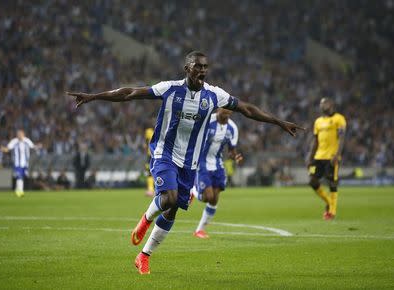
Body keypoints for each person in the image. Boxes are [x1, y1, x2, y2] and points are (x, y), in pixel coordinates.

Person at [68, 51, 304, 275]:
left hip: (189, 162)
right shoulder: (169, 89)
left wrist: (279, 122)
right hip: (164, 153)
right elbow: (129, 93)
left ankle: (144, 256)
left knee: (172, 210)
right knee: (168, 197)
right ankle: (146, 219)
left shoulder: (214, 95)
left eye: (205, 67)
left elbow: (246, 109)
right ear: (187, 69)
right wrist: (94, 97)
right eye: (198, 66)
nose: (203, 70)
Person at [190, 108, 243, 238]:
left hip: (218, 163)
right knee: (207, 196)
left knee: (214, 199)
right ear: (218, 109)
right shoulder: (207, 120)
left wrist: (235, 156)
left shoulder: (232, 128)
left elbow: (231, 149)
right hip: (201, 161)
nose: (225, 114)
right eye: (223, 111)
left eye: (228, 112)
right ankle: (193, 190)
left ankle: (199, 230)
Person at [306, 98, 346, 220]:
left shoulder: (339, 119)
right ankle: (329, 202)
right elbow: (315, 141)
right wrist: (310, 157)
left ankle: (332, 212)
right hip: (318, 156)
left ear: (331, 104)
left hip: (331, 156)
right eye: (321, 103)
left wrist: (337, 155)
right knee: (313, 182)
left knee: (332, 182)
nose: (323, 105)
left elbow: (342, 138)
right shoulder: (318, 121)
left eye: (325, 103)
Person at [1, 129, 40, 197]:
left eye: (20, 134)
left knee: (22, 176)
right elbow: (8, 149)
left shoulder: (27, 140)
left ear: (23, 134)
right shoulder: (14, 141)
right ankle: (21, 192)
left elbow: (33, 147)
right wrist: (3, 149)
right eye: (18, 134)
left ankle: (17, 190)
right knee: (19, 176)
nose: (19, 135)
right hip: (17, 163)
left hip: (25, 163)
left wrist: (38, 146)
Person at [144, 126, 155, 196]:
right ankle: (151, 189)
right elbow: (146, 143)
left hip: (158, 155)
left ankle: (153, 190)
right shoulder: (148, 131)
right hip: (150, 155)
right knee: (149, 172)